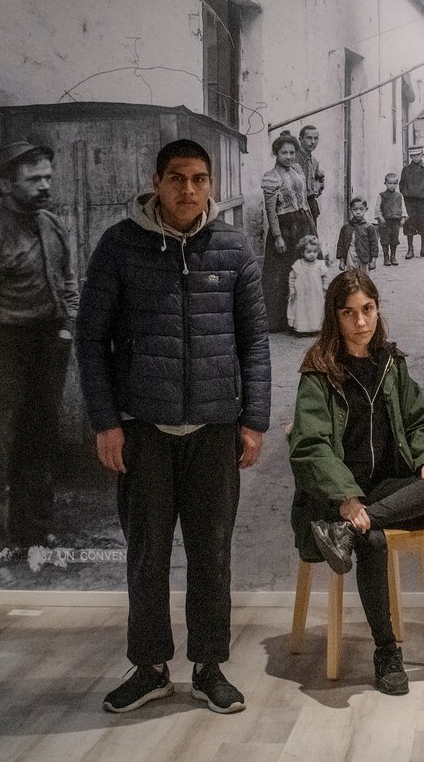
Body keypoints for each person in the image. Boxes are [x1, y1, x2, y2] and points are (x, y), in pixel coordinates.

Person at [76, 138, 270, 715]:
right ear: (157, 182)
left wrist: (253, 420)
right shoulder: (120, 245)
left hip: (215, 428)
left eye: (200, 179)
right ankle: (151, 667)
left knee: (212, 551)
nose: (189, 190)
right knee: (147, 553)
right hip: (143, 430)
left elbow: (254, 343)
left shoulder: (234, 247)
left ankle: (209, 667)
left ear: (211, 185)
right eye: (178, 178)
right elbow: (90, 339)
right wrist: (107, 422)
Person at [290, 270, 424, 696]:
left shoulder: (391, 363)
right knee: (373, 540)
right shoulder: (319, 371)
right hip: (334, 497)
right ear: (336, 317)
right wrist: (347, 500)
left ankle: (348, 531)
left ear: (378, 309)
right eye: (349, 313)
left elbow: (421, 419)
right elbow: (310, 446)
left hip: (381, 492)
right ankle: (387, 651)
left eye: (367, 310)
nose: (361, 322)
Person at [0, 141, 78, 556]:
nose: (45, 186)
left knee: (40, 437)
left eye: (47, 177)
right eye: (34, 179)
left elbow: (68, 280)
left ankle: (34, 531)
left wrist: (67, 324)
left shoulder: (51, 223)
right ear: (7, 183)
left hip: (48, 345)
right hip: (3, 347)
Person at [261, 131, 316, 332]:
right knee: (282, 275)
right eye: (285, 153)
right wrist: (277, 236)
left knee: (305, 271)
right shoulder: (271, 177)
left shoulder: (298, 170)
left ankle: (304, 320)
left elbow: (305, 200)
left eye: (292, 152)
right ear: (277, 153)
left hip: (303, 224)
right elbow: (270, 210)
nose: (289, 156)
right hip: (285, 228)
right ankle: (279, 321)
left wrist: (311, 229)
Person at [399, 144, 424, 260]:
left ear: (422, 155)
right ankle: (410, 249)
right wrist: (406, 193)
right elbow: (402, 184)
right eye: (413, 156)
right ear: (410, 156)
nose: (415, 158)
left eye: (417, 155)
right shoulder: (406, 169)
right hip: (410, 201)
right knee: (409, 224)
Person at [288, 235, 329, 336]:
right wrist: (292, 290)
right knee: (302, 310)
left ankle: (315, 328)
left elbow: (326, 277)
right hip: (302, 295)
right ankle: (302, 329)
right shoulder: (298, 264)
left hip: (315, 294)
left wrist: (325, 289)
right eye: (309, 252)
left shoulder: (320, 264)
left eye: (315, 252)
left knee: (315, 310)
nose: (312, 255)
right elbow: (292, 277)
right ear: (302, 252)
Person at [336, 197, 379, 272]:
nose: (358, 212)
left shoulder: (369, 227)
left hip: (364, 256)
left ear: (366, 209)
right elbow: (341, 245)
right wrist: (342, 261)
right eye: (355, 209)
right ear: (350, 210)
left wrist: (373, 260)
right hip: (350, 256)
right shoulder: (345, 227)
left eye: (361, 209)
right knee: (351, 278)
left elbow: (374, 245)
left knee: (363, 279)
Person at [373, 172, 407, 267]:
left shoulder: (399, 195)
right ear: (385, 183)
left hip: (395, 221)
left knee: (394, 239)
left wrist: (403, 217)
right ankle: (386, 257)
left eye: (394, 183)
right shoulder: (381, 195)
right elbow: (377, 208)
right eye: (390, 183)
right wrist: (380, 217)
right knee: (385, 239)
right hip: (384, 221)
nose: (392, 185)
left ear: (397, 184)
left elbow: (403, 207)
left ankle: (393, 257)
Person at [297, 125, 326, 219]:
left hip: (310, 205)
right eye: (309, 138)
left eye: (316, 138)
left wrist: (318, 188)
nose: (313, 142)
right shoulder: (292, 159)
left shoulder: (314, 161)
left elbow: (320, 180)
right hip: (295, 208)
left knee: (311, 234)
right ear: (300, 139)